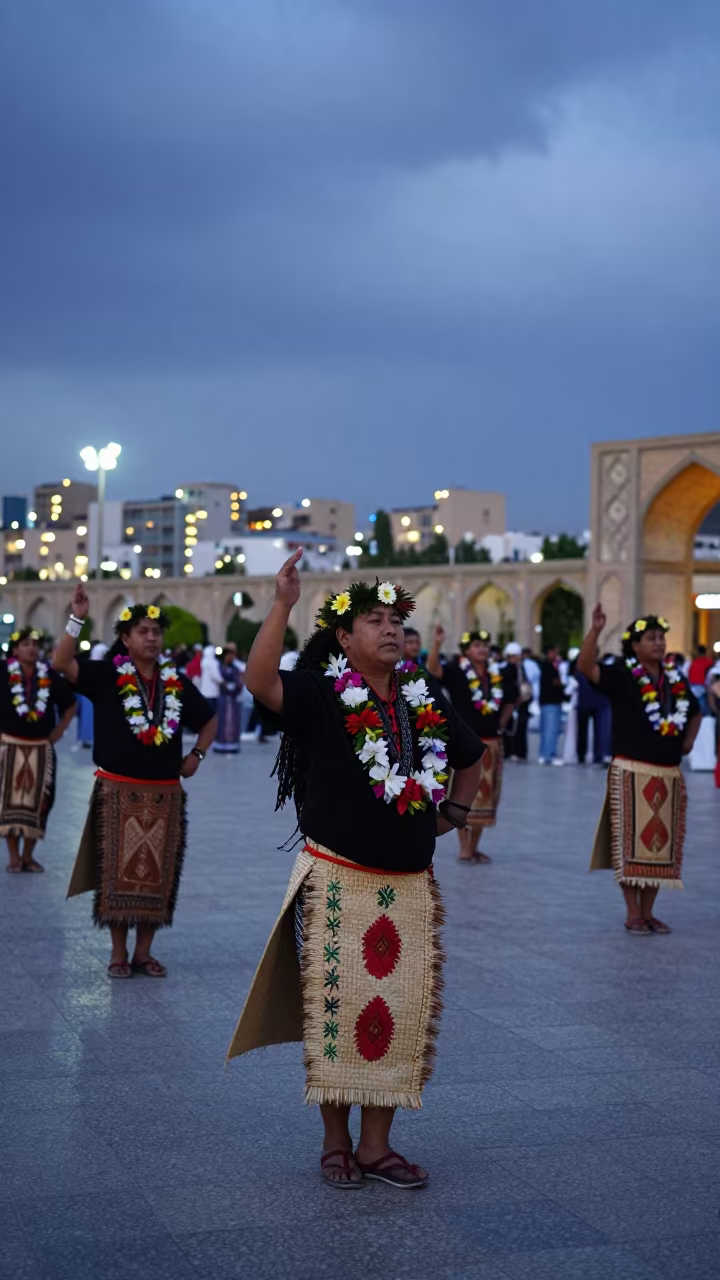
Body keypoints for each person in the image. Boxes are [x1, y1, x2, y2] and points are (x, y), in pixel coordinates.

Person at [228, 553, 484, 1189]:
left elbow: (472, 756)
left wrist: (450, 814)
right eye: (376, 620)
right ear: (345, 638)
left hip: (410, 888)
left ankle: (377, 1147)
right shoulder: (322, 694)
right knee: (338, 1016)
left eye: (397, 619)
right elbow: (261, 682)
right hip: (338, 881)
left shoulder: (423, 696)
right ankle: (336, 1143)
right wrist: (283, 602)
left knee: (396, 1015)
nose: (392, 628)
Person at [54, 587, 217, 978]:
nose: (151, 637)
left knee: (156, 877)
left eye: (156, 632)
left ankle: (144, 953)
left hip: (165, 794)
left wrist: (197, 755)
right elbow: (62, 663)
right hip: (117, 792)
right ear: (126, 639)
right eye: (142, 631)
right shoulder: (109, 675)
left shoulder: (174, 680)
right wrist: (77, 617)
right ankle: (116, 953)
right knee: (116, 874)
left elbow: (208, 718)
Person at [579, 607, 701, 934]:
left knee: (660, 846)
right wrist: (595, 629)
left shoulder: (674, 679)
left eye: (661, 638)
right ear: (635, 645)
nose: (659, 643)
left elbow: (696, 711)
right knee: (631, 844)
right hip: (631, 769)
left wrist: (687, 742)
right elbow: (585, 667)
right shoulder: (621, 674)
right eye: (651, 638)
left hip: (668, 771)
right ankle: (633, 912)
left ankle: (649, 912)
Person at [427, 626, 514, 863]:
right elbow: (433, 669)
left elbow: (510, 699)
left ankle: (475, 847)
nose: (482, 649)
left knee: (487, 798)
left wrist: (503, 723)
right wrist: (436, 644)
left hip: (492, 744)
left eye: (485, 646)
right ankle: (464, 848)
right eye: (476, 646)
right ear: (466, 650)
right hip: (466, 745)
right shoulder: (457, 670)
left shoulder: (497, 673)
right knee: (466, 796)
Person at [0, 627, 77, 872]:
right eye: (25, 644)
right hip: (9, 747)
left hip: (41, 749)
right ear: (15, 650)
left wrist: (61, 730)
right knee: (7, 802)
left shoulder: (49, 674)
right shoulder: (3, 672)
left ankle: (28, 856)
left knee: (40, 802)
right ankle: (13, 857)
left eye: (35, 644)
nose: (31, 648)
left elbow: (70, 704)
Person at [502, 642, 532, 762]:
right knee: (511, 728)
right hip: (511, 703)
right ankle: (510, 751)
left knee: (521, 728)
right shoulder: (507, 669)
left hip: (522, 704)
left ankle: (520, 752)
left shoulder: (521, 668)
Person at [538, 644, 565, 765]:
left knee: (546, 730)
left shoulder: (546, 665)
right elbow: (556, 682)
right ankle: (549, 755)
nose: (556, 655)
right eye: (555, 652)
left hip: (547, 701)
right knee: (551, 730)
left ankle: (544, 754)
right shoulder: (548, 666)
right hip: (551, 702)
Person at [214, 648, 243, 754]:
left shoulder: (235, 668)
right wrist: (225, 685)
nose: (230, 658)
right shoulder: (220, 667)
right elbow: (218, 679)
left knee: (233, 722)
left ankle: (232, 745)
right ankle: (221, 745)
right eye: (228, 655)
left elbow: (239, 681)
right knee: (222, 721)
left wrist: (235, 686)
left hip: (233, 699)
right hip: (223, 698)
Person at [688, 645, 713, 715]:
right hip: (704, 686)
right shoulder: (709, 662)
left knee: (696, 708)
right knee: (704, 708)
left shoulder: (693, 662)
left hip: (693, 686)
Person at [200, 643, 222, 713]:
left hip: (204, 690)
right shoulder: (214, 662)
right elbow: (215, 676)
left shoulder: (203, 661)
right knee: (212, 712)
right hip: (212, 692)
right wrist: (222, 681)